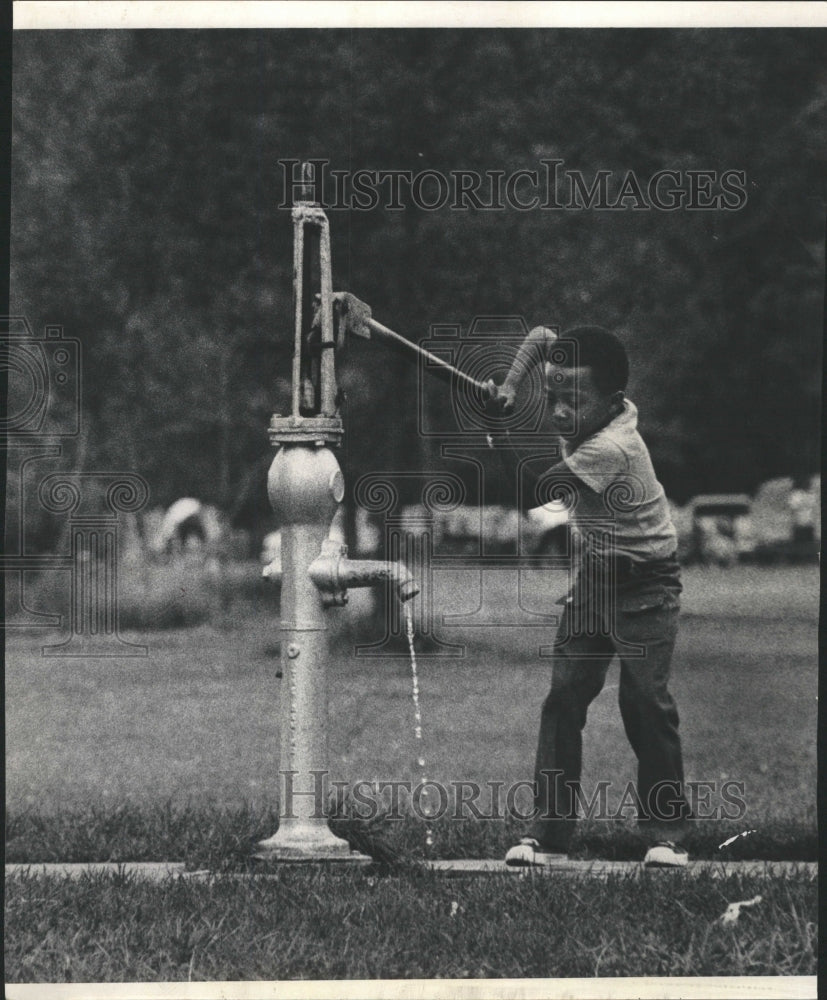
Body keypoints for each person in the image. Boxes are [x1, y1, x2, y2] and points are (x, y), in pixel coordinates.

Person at [491, 324, 691, 867]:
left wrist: (498, 425)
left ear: (612, 401)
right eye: (551, 396)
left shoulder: (612, 446)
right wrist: (513, 384)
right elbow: (538, 336)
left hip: (648, 584)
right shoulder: (587, 405)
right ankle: (549, 834)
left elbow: (536, 489)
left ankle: (665, 834)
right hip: (595, 579)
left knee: (644, 702)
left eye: (571, 401)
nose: (557, 411)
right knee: (563, 699)